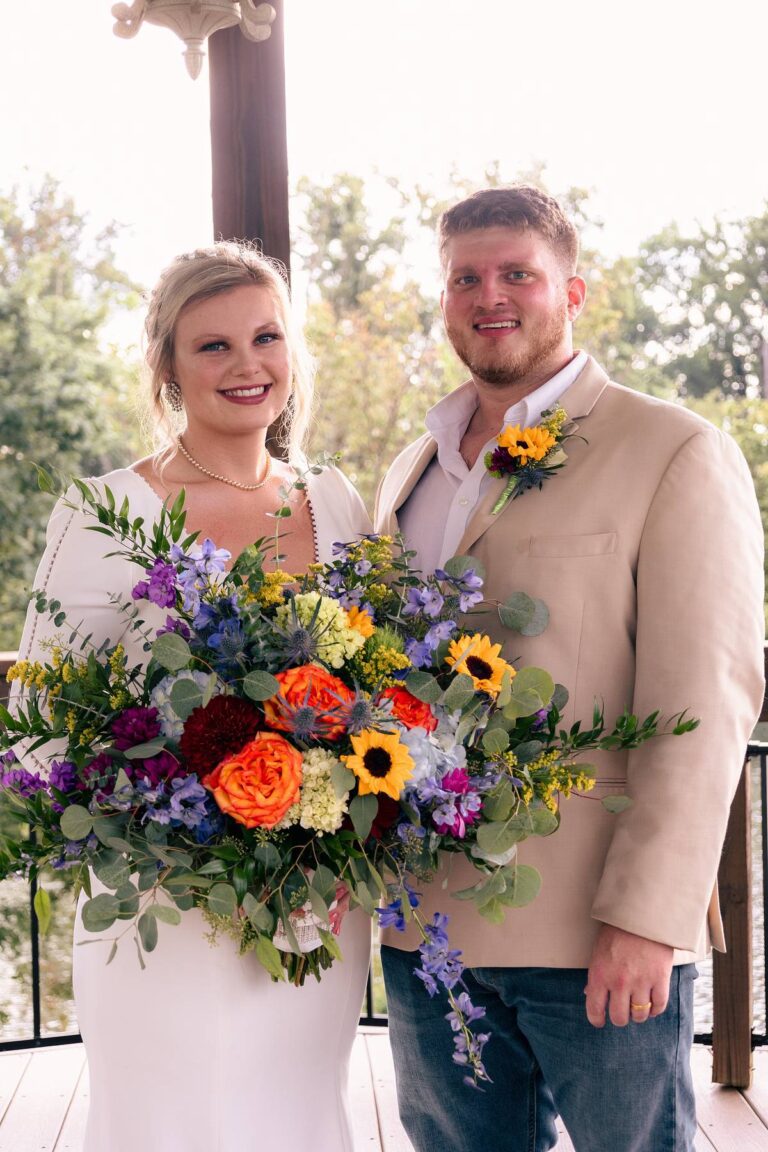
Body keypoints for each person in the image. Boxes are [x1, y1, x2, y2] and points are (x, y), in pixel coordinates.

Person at [374, 186, 765, 1152]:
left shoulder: (673, 451)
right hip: (427, 929)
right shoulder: (407, 469)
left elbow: (704, 704)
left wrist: (648, 919)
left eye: (517, 273)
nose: (489, 295)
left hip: (593, 932)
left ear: (573, 292)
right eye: (466, 277)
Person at [13, 241, 373, 1152]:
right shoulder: (102, 510)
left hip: (311, 905)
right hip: (162, 907)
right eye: (212, 346)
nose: (247, 365)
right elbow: (44, 729)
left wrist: (338, 821)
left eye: (266, 337)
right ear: (169, 367)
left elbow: (374, 695)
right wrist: (170, 827)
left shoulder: (335, 503)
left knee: (297, 1115)